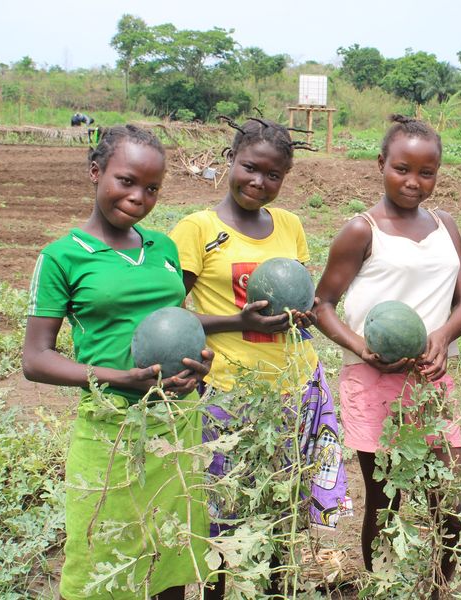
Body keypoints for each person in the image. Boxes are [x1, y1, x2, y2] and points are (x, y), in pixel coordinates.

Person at [22, 125, 212, 600]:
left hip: (175, 427)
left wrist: (196, 365)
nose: (138, 197)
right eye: (126, 181)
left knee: (170, 556)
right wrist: (116, 377)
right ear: (95, 172)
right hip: (110, 430)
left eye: (151, 188)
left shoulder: (163, 249)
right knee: (98, 564)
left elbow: (176, 325)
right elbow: (35, 359)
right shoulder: (62, 257)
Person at [168, 117, 349, 600]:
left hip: (295, 386)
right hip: (230, 391)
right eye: (250, 167)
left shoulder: (289, 224)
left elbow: (301, 296)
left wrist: (305, 316)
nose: (259, 182)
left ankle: (275, 589)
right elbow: (173, 317)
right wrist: (238, 322)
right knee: (226, 510)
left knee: (285, 504)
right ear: (231, 160)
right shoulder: (197, 229)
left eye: (274, 175)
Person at [314, 114, 461, 591]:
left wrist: (443, 338)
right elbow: (322, 304)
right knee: (386, 502)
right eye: (402, 169)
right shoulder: (361, 230)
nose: (414, 182)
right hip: (374, 379)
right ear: (381, 163)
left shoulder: (445, 223)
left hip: (430, 380)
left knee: (451, 499)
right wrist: (362, 347)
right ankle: (384, 586)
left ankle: (437, 588)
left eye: (427, 172)